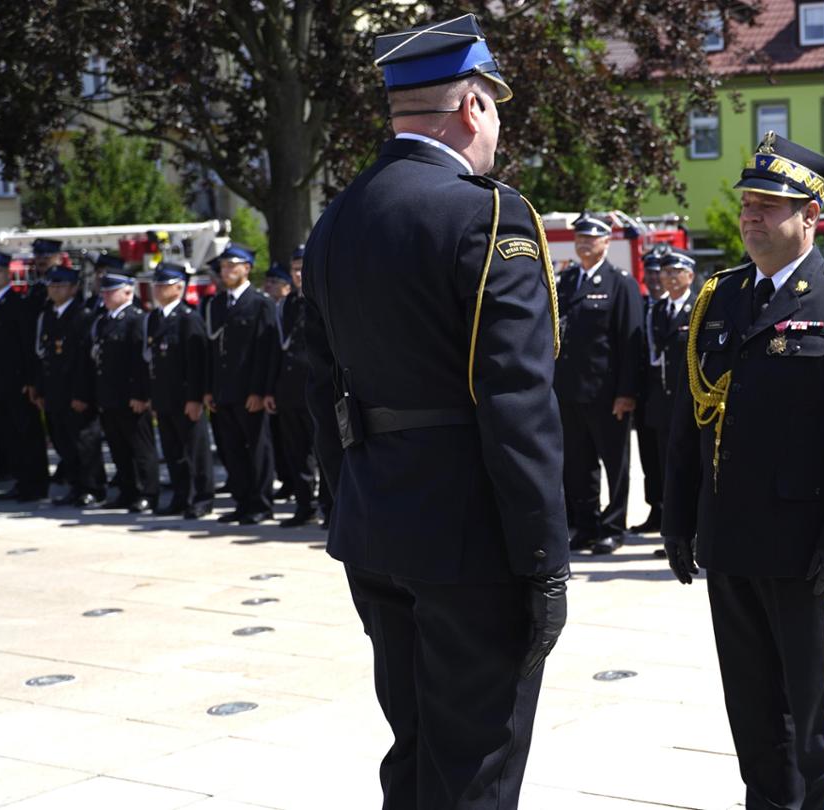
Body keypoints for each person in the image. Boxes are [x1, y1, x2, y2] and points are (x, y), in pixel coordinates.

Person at [305, 15, 569, 808]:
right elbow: (518, 404)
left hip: (375, 525)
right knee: (477, 766)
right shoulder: (487, 215)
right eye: (494, 110)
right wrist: (543, 560)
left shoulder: (337, 220)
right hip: (469, 541)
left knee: (416, 750)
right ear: (473, 107)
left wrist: (346, 505)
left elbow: (320, 392)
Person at [662, 132, 824, 810]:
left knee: (814, 721)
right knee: (753, 715)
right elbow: (688, 422)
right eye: (748, 203)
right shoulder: (720, 297)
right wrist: (679, 520)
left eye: (771, 205)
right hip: (731, 541)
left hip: (804, 550)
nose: (752, 216)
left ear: (810, 218)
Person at [555, 213, 645, 554]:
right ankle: (586, 524)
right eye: (580, 238)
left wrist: (626, 392)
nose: (584, 243)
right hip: (568, 391)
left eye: (592, 238)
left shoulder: (620, 283)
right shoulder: (566, 281)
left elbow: (630, 342)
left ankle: (613, 527)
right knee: (578, 465)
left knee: (615, 465)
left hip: (607, 395)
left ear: (607, 242)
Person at [205, 245, 279, 525]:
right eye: (223, 266)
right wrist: (210, 388)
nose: (226, 271)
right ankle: (242, 501)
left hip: (249, 391)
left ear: (246, 268)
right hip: (224, 391)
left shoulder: (260, 303)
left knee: (258, 448)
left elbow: (267, 350)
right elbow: (213, 351)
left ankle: (261, 503)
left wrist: (261, 390)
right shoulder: (217, 303)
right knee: (232, 449)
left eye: (232, 266)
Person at [0, 251, 49, 502]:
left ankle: (35, 484)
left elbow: (28, 347)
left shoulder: (19, 304)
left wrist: (31, 381)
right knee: (8, 436)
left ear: (7, 273)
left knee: (28, 434)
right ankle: (21, 480)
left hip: (18, 383)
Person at [145, 262, 216, 519]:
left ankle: (202, 498)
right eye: (157, 285)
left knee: (195, 451)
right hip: (164, 397)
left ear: (179, 288)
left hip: (186, 397)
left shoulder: (189, 318)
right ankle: (180, 496)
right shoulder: (155, 318)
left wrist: (195, 398)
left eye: (164, 285)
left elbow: (197, 362)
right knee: (173, 452)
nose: (158, 289)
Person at [34, 265, 107, 507]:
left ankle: (93, 487)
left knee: (84, 443)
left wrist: (82, 394)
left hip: (76, 391)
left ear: (74, 288)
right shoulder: (49, 315)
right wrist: (42, 390)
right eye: (51, 285)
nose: (55, 290)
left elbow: (85, 360)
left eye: (60, 285)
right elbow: (44, 356)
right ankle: (76, 485)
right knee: (63, 442)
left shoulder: (82, 316)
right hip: (55, 391)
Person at [93, 270, 160, 513]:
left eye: (112, 291)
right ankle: (127, 490)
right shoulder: (104, 321)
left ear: (128, 292)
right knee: (118, 448)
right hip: (109, 396)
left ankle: (148, 493)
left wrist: (141, 394)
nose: (106, 296)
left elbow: (141, 362)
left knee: (140, 448)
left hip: (130, 396)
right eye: (105, 291)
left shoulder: (136, 319)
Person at [647, 250, 698, 558]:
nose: (668, 277)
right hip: (663, 404)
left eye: (675, 272)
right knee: (669, 470)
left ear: (690, 275)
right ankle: (676, 533)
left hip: (694, 402)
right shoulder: (658, 309)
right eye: (665, 273)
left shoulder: (699, 307)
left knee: (696, 468)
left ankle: (699, 533)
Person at [266, 260, 321, 527]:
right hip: (288, 389)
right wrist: (270, 388)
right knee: (296, 451)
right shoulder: (287, 305)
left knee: (321, 450)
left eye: (303, 268)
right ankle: (304, 505)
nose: (298, 274)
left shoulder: (320, 297)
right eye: (295, 270)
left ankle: (330, 507)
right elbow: (277, 349)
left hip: (316, 387)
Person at [631, 247, 670, 534]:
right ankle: (655, 510)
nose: (655, 279)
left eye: (660, 273)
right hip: (646, 397)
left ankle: (672, 516)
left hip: (670, 396)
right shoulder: (642, 306)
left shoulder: (681, 306)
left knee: (671, 460)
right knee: (649, 460)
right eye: (650, 273)